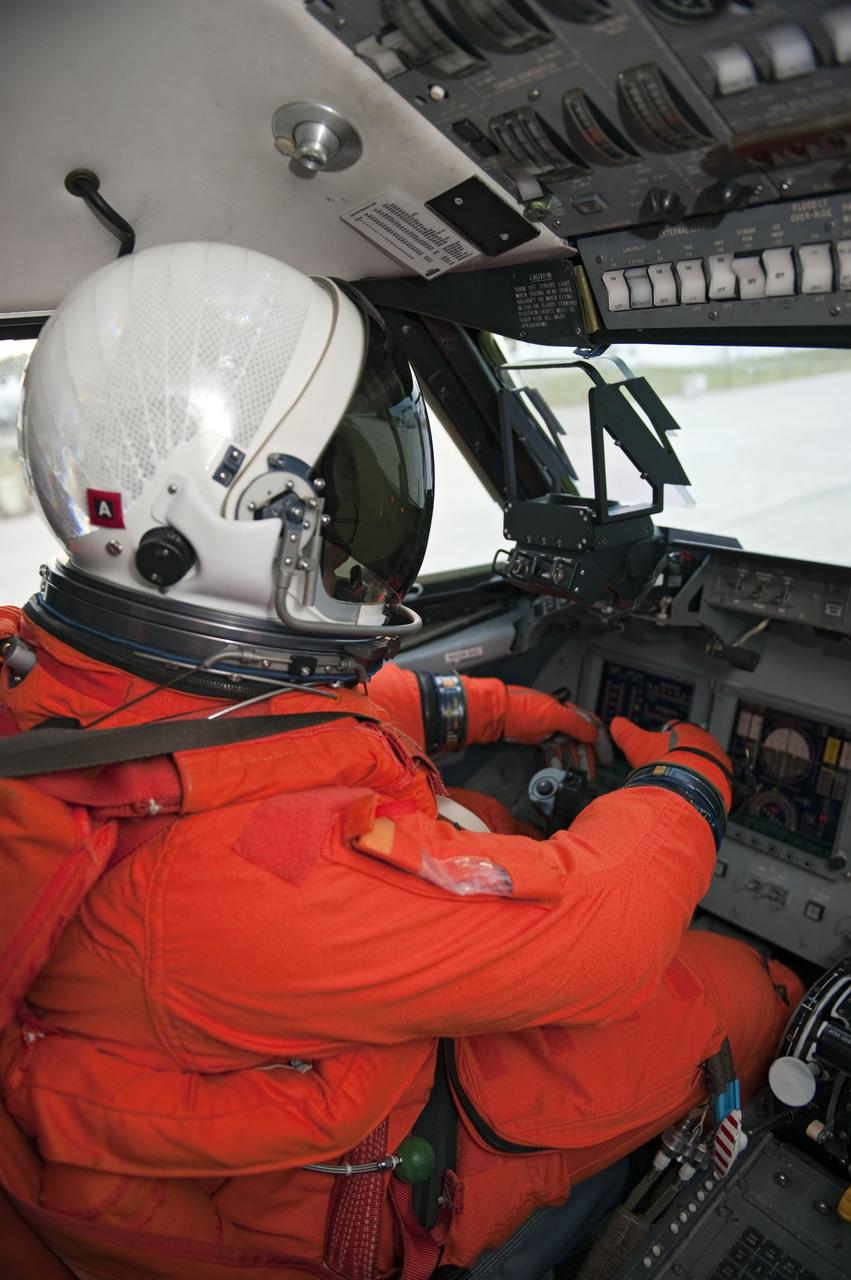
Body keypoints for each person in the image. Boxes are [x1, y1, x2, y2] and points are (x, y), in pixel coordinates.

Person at [0, 243, 801, 1280]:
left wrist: (504, 710)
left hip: (268, 1061)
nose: (367, 528)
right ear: (227, 528)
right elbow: (607, 934)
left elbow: (259, 732)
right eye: (343, 492)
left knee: (496, 821)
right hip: (362, 1179)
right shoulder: (229, 888)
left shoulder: (63, 677)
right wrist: (689, 776)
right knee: (740, 985)